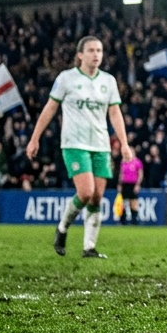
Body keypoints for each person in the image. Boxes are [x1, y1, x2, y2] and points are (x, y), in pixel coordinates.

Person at [25, 36, 133, 258]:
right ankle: (62, 228)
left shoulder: (109, 81)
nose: (96, 55)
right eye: (91, 50)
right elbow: (50, 108)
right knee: (85, 192)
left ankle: (89, 247)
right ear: (80, 55)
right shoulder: (67, 78)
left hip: (101, 145)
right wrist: (35, 138)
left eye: (100, 51)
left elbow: (114, 113)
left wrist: (124, 143)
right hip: (74, 143)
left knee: (96, 197)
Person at [118, 146, 143, 225]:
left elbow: (140, 174)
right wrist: (119, 184)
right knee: (124, 203)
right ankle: (123, 221)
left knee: (133, 202)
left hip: (133, 184)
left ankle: (134, 221)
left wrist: (138, 184)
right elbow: (121, 173)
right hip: (125, 184)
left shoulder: (137, 162)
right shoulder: (123, 162)